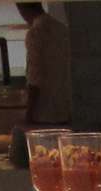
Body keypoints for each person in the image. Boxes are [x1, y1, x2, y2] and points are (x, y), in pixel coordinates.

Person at [16, 1, 71, 165]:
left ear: (21, 8)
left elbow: (35, 77)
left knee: (43, 162)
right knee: (62, 161)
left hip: (43, 116)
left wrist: (28, 114)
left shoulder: (35, 33)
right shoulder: (62, 29)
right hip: (65, 113)